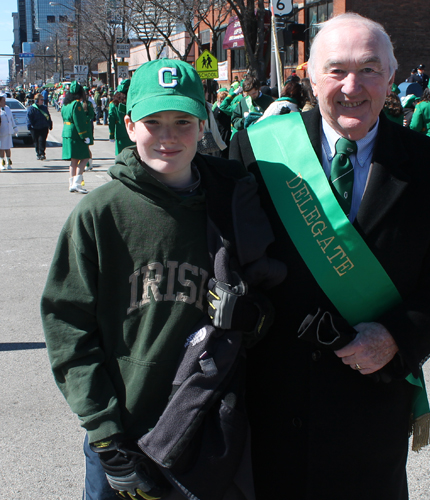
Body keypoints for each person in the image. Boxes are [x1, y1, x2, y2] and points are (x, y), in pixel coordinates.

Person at [230, 13, 430, 500]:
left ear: (392, 76)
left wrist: (395, 336)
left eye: (369, 69)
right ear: (309, 76)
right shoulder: (257, 152)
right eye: (336, 70)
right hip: (269, 405)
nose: (352, 86)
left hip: (369, 408)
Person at [41, 58, 282, 500]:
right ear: (130, 125)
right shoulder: (101, 214)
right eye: (153, 122)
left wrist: (253, 315)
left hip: (208, 424)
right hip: (124, 429)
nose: (168, 137)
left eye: (182, 121)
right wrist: (104, 433)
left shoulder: (234, 201)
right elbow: (67, 327)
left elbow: (271, 291)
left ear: (203, 122)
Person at [61, 81, 91, 194]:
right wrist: (84, 135)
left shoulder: (65, 104)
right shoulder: (76, 104)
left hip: (67, 132)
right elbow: (79, 121)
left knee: (74, 160)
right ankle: (77, 183)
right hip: (75, 133)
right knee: (85, 157)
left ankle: (71, 184)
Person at [108, 80, 135, 155]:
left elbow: (111, 121)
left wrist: (111, 134)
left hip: (120, 133)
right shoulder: (133, 102)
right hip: (133, 131)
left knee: (121, 156)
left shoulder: (113, 104)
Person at [27, 92, 53, 160]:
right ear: (37, 100)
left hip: (44, 127)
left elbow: (48, 116)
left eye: (42, 99)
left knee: (42, 140)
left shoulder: (44, 108)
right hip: (34, 128)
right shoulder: (31, 108)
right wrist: (29, 126)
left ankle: (42, 153)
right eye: (41, 99)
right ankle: (38, 153)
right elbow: (29, 118)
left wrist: (50, 124)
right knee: (36, 141)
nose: (42, 101)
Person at [0, 92, 18, 170]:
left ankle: (9, 163)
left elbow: (11, 119)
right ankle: (1, 163)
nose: (4, 102)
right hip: (1, 132)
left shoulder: (7, 108)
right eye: (3, 100)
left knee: (8, 148)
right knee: (1, 148)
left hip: (8, 132)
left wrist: (15, 128)